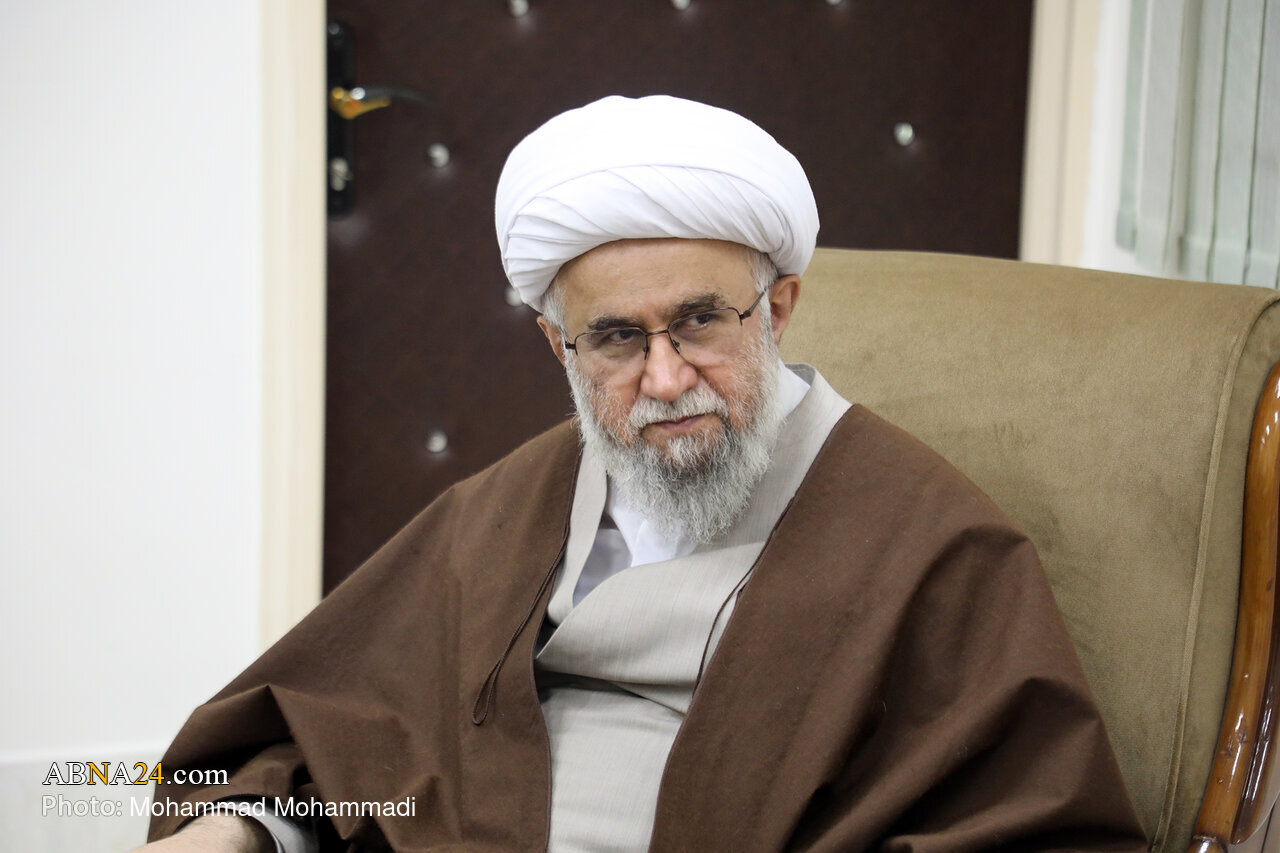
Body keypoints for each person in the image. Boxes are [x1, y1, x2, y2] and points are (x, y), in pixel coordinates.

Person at [137, 95, 1148, 852]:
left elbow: (1028, 819)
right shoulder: (511, 504)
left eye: (701, 321)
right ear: (559, 346)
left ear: (777, 309)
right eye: (617, 337)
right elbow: (342, 736)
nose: (665, 380)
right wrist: (243, 828)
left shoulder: (930, 539)